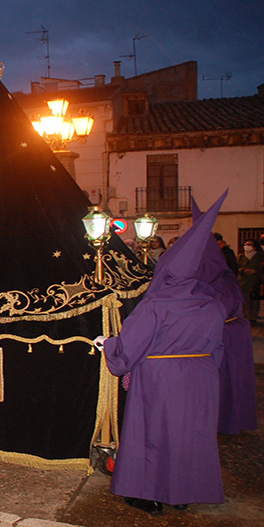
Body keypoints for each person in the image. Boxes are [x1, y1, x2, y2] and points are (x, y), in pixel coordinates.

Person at [95, 192, 228, 515]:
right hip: (201, 378)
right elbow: (218, 348)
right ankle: (182, 492)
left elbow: (129, 347)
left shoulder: (157, 304)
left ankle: (147, 493)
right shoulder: (212, 304)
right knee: (190, 436)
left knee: (153, 435)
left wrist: (107, 344)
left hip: (160, 379)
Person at [237, 239, 262, 323]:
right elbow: (236, 267)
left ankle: (253, 317)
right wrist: (242, 270)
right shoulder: (241, 256)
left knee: (254, 299)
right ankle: (245, 316)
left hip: (255, 280)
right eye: (246, 244)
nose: (247, 246)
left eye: (249, 244)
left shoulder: (260, 256)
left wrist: (255, 271)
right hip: (243, 280)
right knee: (244, 299)